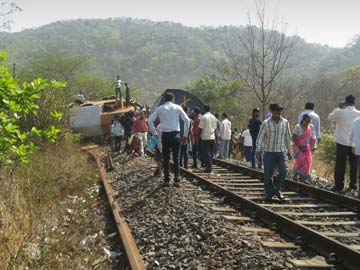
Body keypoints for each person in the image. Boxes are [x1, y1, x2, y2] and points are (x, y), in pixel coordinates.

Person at [148, 92, 191, 187]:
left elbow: (150, 120)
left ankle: (166, 180)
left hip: (165, 135)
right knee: (176, 157)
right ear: (173, 99)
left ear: (165, 99)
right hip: (176, 135)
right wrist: (185, 135)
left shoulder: (160, 108)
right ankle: (177, 179)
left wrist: (154, 133)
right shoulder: (177, 107)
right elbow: (187, 120)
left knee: (166, 158)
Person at [256, 104, 292, 201]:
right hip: (269, 152)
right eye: (275, 113)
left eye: (279, 113)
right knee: (268, 174)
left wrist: (290, 151)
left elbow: (288, 137)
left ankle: (278, 190)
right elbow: (260, 137)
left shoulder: (285, 122)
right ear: (272, 112)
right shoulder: (265, 123)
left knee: (284, 170)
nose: (277, 115)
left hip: (281, 152)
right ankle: (269, 192)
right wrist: (258, 150)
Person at [328, 95, 360, 191]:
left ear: (345, 102)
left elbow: (330, 118)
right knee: (354, 165)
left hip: (342, 142)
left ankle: (339, 185)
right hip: (355, 143)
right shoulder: (358, 114)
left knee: (340, 164)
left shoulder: (340, 112)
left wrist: (338, 107)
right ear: (354, 102)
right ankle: (353, 185)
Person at [292, 114, 316, 180]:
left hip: (306, 147)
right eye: (306, 121)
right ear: (303, 120)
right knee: (300, 161)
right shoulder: (298, 127)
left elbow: (311, 138)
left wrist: (312, 146)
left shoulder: (310, 127)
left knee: (307, 161)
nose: (307, 123)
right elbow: (294, 138)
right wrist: (299, 146)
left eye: (309, 122)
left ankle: (304, 175)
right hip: (298, 147)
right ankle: (296, 174)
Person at [199, 105, 218, 173]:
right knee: (210, 153)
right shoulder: (214, 117)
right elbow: (215, 129)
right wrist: (216, 138)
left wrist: (198, 135)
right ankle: (209, 166)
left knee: (206, 153)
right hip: (212, 137)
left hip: (205, 138)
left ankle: (209, 168)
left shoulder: (203, 117)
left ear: (204, 109)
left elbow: (200, 128)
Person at [350, 117, 360, 193]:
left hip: (358, 148)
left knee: (357, 168)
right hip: (357, 148)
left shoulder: (356, 120)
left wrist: (352, 145)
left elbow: (351, 135)